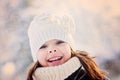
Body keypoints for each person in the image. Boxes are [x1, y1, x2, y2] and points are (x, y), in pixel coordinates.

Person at [27, 13, 109, 80]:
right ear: (35, 55)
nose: (52, 50)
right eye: (43, 46)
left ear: (70, 47)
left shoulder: (91, 77)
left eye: (59, 42)